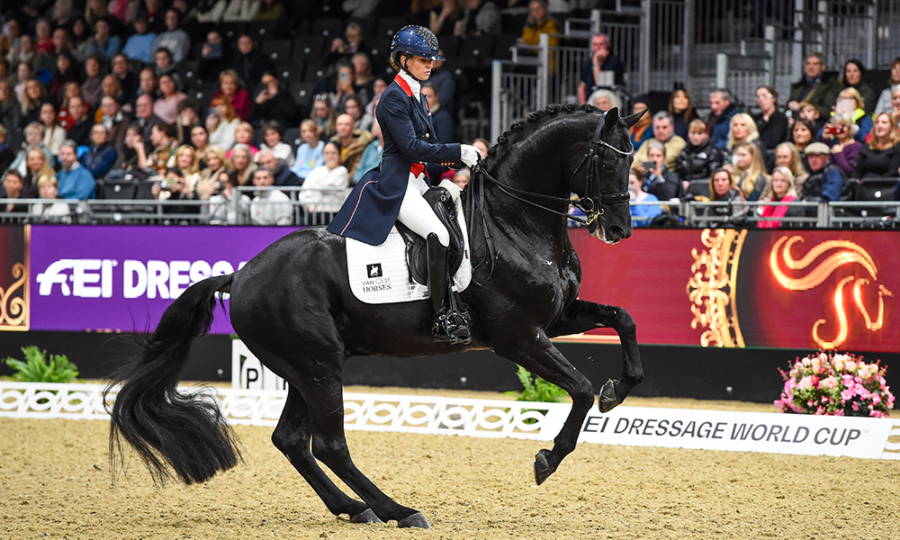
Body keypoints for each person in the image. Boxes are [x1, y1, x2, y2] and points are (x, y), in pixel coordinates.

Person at [327, 25, 480, 345]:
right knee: (437, 235)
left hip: (420, 180)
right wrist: (458, 151)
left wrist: (458, 168)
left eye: (431, 60)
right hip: (398, 184)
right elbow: (411, 148)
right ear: (404, 60)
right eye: (424, 59)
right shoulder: (392, 98)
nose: (430, 65)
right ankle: (443, 316)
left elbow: (430, 150)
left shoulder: (419, 97)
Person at [675, 119, 725, 198]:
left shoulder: (713, 152)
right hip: (685, 192)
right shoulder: (684, 152)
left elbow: (714, 177)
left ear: (706, 134)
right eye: (693, 133)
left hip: (706, 192)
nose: (696, 137)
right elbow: (678, 173)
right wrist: (681, 183)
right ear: (688, 134)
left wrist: (692, 185)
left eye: (700, 133)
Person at [298, 140, 350, 215]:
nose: (330, 156)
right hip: (315, 213)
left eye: (333, 153)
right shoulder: (315, 171)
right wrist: (309, 205)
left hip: (334, 213)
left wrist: (317, 187)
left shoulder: (342, 171)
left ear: (339, 154)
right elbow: (305, 191)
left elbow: (328, 187)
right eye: (327, 153)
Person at [787, 52, 840, 118]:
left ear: (822, 66)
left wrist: (802, 106)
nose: (811, 67)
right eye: (808, 64)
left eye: (815, 64)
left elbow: (828, 110)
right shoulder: (799, 86)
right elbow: (788, 106)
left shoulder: (831, 86)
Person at [577, 33, 624, 104]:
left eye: (601, 44)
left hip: (607, 103)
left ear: (608, 45)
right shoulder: (589, 61)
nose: (598, 47)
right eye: (595, 45)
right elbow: (582, 85)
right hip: (591, 102)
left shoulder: (614, 61)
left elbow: (600, 85)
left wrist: (596, 63)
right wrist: (583, 105)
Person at [800, 142, 847, 212]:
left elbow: (829, 199)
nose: (813, 160)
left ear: (827, 157)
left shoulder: (833, 173)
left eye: (817, 156)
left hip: (834, 215)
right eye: (810, 156)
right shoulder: (810, 177)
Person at [854, 113, 900, 179]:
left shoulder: (897, 147)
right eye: (877, 122)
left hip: (886, 186)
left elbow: (893, 173)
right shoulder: (866, 147)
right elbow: (857, 172)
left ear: (891, 127)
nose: (879, 125)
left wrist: (872, 180)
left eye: (884, 123)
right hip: (864, 186)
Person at [330, 113, 374, 179]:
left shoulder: (361, 146)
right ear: (336, 128)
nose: (343, 127)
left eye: (346, 124)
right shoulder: (333, 145)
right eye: (340, 124)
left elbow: (357, 169)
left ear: (353, 127)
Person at [823, 112, 861, 177]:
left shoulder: (857, 146)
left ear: (849, 127)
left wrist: (838, 154)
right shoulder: (833, 145)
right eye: (836, 127)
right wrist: (826, 140)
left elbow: (850, 171)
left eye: (843, 126)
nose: (840, 129)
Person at [753, 86, 788, 151]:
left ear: (773, 98)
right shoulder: (755, 118)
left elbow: (774, 141)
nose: (761, 99)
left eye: (765, 96)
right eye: (758, 97)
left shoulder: (781, 118)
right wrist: (763, 122)